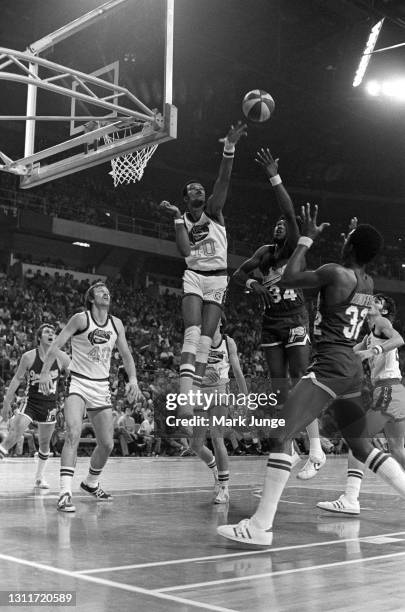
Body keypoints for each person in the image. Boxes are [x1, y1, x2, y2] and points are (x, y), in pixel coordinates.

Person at [218, 203, 405, 546]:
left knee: (282, 435)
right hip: (351, 371)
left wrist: (305, 237)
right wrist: (350, 237)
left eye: (347, 237)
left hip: (330, 367)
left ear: (350, 246)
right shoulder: (366, 280)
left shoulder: (335, 273)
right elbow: (343, 272)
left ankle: (260, 527)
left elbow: (288, 278)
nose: (343, 239)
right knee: (363, 447)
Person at [233, 148, 324, 479]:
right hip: (271, 324)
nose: (279, 226)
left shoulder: (290, 248)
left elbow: (287, 210)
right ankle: (294, 449)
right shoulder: (263, 254)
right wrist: (252, 285)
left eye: (283, 225)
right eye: (275, 225)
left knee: (302, 380)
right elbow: (237, 276)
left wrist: (274, 176)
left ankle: (316, 448)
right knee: (280, 389)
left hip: (295, 318)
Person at [159, 121, 247, 418]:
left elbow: (223, 180)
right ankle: (186, 399)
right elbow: (184, 251)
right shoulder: (183, 219)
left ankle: (195, 388)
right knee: (193, 332)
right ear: (186, 199)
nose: (199, 190)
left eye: (201, 188)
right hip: (195, 277)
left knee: (207, 341)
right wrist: (174, 219)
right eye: (193, 189)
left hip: (219, 278)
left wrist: (229, 147)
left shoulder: (214, 211)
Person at [38, 281, 143, 513]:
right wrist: (45, 372)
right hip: (78, 382)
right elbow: (57, 344)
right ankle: (65, 493)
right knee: (72, 434)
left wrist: (133, 380)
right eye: (100, 291)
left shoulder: (117, 324)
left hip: (101, 387)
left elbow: (126, 355)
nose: (106, 293)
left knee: (107, 444)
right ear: (91, 298)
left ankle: (91, 483)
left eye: (108, 291)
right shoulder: (80, 319)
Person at [317, 293, 405, 515]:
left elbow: (399, 339)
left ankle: (350, 498)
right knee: (397, 450)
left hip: (388, 390)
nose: (372, 302)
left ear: (383, 310)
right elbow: (350, 354)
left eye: (378, 301)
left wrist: (373, 351)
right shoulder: (368, 335)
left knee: (358, 440)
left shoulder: (382, 323)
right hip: (391, 391)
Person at [1, 324, 70, 487]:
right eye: (47, 331)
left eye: (53, 332)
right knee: (14, 433)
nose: (51, 334)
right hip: (31, 402)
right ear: (39, 337)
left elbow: (74, 375)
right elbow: (17, 379)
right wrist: (6, 403)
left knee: (45, 444)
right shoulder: (29, 356)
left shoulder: (62, 358)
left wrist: (70, 399)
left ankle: (39, 477)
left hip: (50, 405)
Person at [190, 317, 248, 504]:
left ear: (220, 322)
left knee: (217, 437)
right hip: (200, 392)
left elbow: (237, 370)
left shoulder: (228, 342)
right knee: (196, 445)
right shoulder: (199, 341)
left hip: (220, 392)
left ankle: (224, 488)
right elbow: (189, 369)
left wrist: (245, 395)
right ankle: (215, 469)